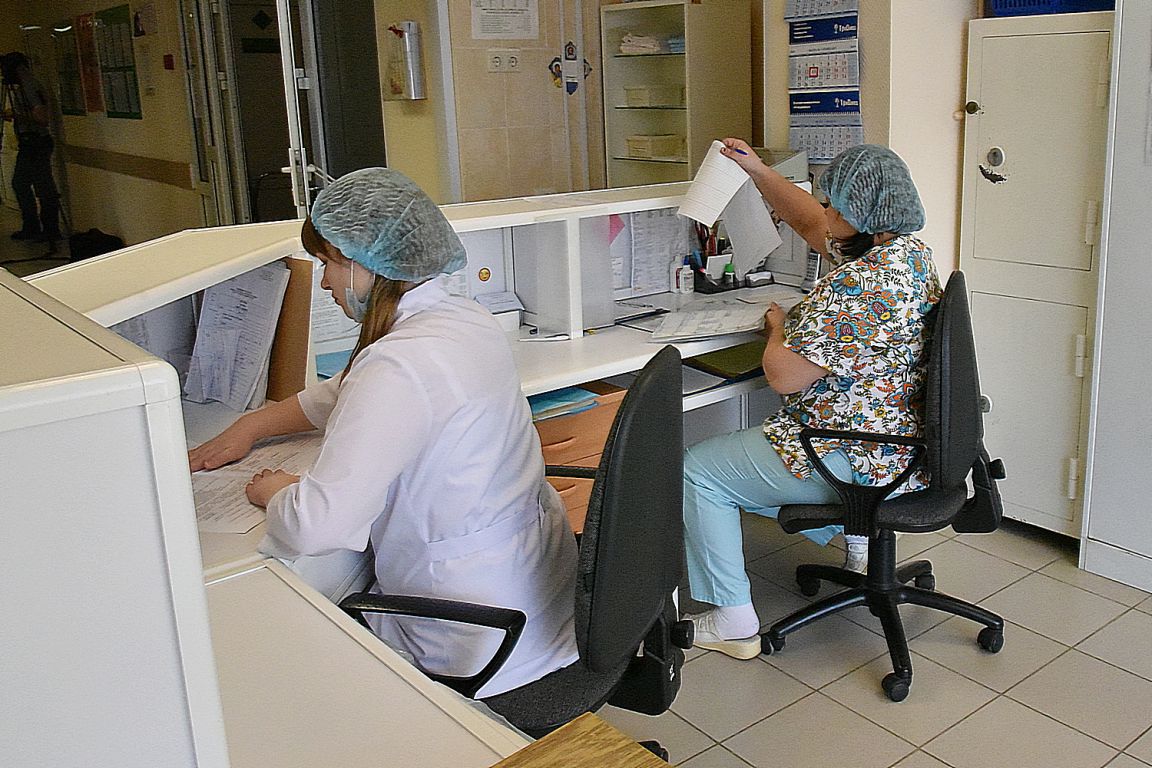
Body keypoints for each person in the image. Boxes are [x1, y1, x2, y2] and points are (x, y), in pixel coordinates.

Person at [188, 168, 579, 698]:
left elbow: (316, 528)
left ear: (367, 263)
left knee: (285, 658)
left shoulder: (397, 364)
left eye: (328, 263)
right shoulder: (464, 319)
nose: (324, 282)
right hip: (540, 599)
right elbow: (341, 395)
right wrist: (253, 425)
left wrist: (276, 491)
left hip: (471, 634)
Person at [683, 140, 942, 659]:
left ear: (862, 216)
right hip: (899, 444)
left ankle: (732, 619)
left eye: (834, 206)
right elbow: (810, 224)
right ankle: (859, 545)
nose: (825, 213)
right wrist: (757, 171)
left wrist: (778, 328)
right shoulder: (906, 254)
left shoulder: (864, 284)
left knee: (697, 471)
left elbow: (783, 376)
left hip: (853, 450)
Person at [1, 52, 61, 250]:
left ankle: (50, 229)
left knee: (43, 188)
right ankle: (33, 226)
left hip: (37, 143)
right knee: (20, 184)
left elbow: (42, 119)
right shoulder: (24, 85)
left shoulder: (29, 86)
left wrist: (17, 116)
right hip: (29, 143)